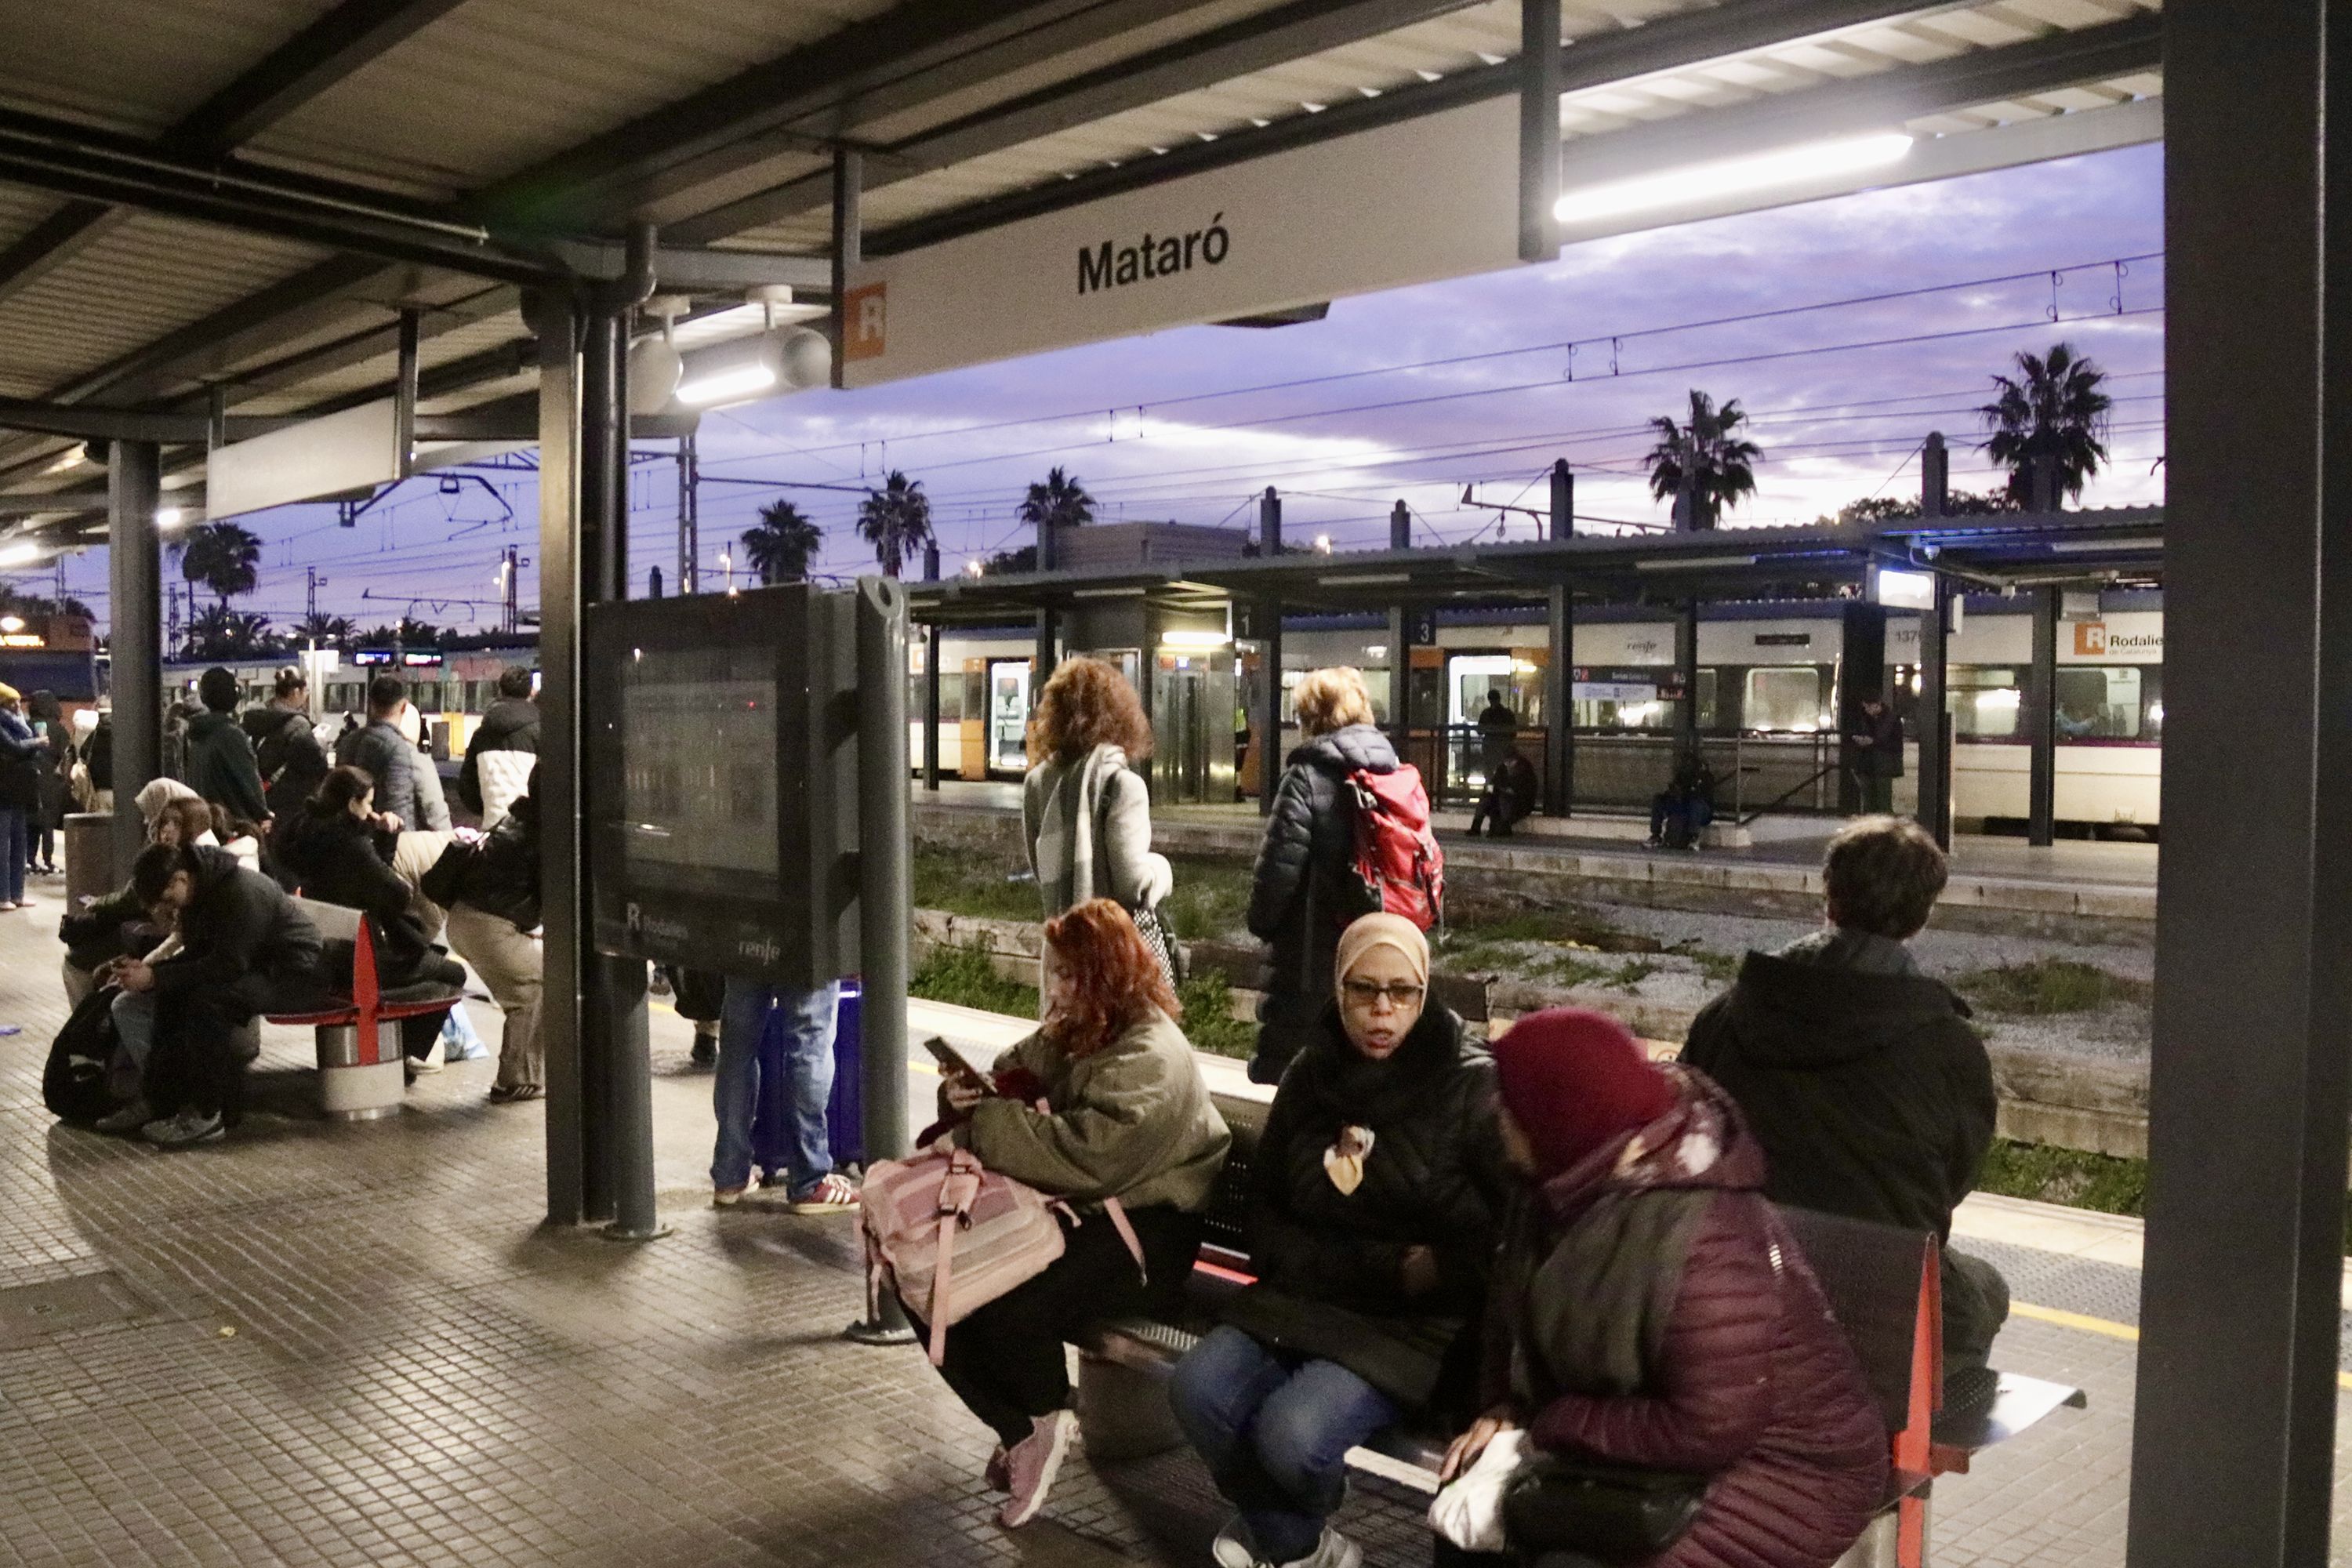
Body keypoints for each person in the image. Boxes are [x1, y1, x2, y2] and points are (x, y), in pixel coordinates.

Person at [1436, 1009, 1886, 1568]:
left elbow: (1710, 1425)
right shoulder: (1554, 1183)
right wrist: (1505, 1405)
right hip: (1645, 1443)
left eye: (1512, 1106)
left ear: (1561, 1117)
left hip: (1784, 1476)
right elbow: (1509, 1310)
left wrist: (1551, 1423)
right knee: (1462, 1512)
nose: (1497, 1117)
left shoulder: (1708, 1239)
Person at [1171, 914, 1501, 1568]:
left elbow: (1496, 1236)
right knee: (1197, 1390)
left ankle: (1285, 1522)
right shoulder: (1312, 1071)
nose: (1383, 1010)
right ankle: (1301, 1542)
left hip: (1405, 1326)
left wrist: (1417, 1273)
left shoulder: (1469, 1084)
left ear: (1425, 991)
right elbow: (1266, 1203)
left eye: (1402, 992)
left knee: (1293, 1437)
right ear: (1339, 988)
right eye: (1364, 989)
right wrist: (1347, 1264)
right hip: (1301, 1299)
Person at [914, 898, 1230, 1530]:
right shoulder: (1082, 1026)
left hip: (1149, 1239)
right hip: (1088, 1217)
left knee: (1001, 1301)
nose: (1055, 990)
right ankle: (1027, 1427)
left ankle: (1040, 1418)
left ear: (1108, 976)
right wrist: (963, 1093)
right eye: (1053, 972)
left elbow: (1087, 1155)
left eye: (1069, 975)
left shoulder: (1150, 1054)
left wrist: (988, 1121)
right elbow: (1011, 1070)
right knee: (928, 1279)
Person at [1679, 815, 2007, 1406]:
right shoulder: (1947, 1044)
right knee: (1986, 1291)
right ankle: (1910, 1418)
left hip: (1740, 1271)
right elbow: (1955, 1178)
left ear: (1828, 896)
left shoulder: (1726, 1016)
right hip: (1881, 1288)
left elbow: (1688, 1135)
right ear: (1922, 916)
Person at [107, 840, 333, 1148]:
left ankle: (208, 1114)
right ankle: (162, 1101)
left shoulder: (241, 892)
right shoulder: (201, 893)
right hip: (258, 966)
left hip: (295, 974)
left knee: (206, 1002)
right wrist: (152, 974)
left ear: (180, 879)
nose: (168, 909)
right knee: (172, 993)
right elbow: (200, 955)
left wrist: (155, 977)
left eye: (167, 899)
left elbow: (227, 965)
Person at [1247, 666, 1402, 1084]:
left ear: (1312, 719)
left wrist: (1261, 922)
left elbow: (1276, 876)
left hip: (1314, 966)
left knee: (1301, 1083)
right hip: (1384, 953)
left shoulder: (1306, 778)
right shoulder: (1393, 773)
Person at [271, 766, 462, 1066]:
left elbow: (372, 885)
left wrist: (375, 838)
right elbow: (397, 895)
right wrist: (386, 839)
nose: (371, 810)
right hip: (361, 962)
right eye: (369, 803)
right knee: (452, 973)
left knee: (432, 958)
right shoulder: (350, 845)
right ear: (352, 803)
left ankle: (400, 1053)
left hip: (329, 954)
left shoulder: (305, 832)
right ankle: (402, 1054)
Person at [1022, 656, 1171, 927]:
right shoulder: (1124, 786)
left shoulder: (1036, 782)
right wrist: (1161, 870)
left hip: (1062, 942)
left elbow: (1044, 871)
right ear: (1119, 715)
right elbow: (1132, 885)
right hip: (1112, 943)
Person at [431, 765, 546, 1103]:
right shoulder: (545, 833)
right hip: (490, 929)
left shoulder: (514, 818)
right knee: (541, 985)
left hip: (465, 920)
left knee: (526, 988)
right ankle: (517, 1080)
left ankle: (520, 1075)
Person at [712, 969, 855, 1211]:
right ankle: (809, 1181)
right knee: (809, 1043)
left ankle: (730, 1175)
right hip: (806, 948)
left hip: (746, 948)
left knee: (737, 1048)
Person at [335, 674, 450, 831]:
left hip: (350, 837)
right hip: (396, 838)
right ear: (403, 707)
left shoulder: (346, 744)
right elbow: (434, 813)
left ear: (370, 704)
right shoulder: (410, 753)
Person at [184, 667, 270, 827]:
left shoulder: (196, 735)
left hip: (207, 822)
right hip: (233, 825)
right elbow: (249, 783)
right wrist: (264, 814)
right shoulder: (231, 735)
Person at [458, 666, 540, 829]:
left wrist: (489, 808)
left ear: (500, 691)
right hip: (531, 831)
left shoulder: (480, 735)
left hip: (492, 830)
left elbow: (467, 788)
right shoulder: (540, 732)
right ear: (531, 692)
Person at [245, 666, 329, 825]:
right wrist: (321, 741)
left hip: (259, 798)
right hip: (289, 803)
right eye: (306, 692)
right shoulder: (298, 725)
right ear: (296, 692)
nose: (306, 697)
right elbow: (315, 764)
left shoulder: (255, 719)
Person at [0, 683, 41, 911]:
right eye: (12, 702)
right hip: (3, 789)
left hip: (18, 789)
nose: (18, 706)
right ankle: (2, 895)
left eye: (18, 701)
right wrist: (36, 743)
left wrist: (32, 744)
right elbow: (14, 747)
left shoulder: (20, 723)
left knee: (19, 843)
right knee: (2, 846)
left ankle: (17, 894)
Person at [27, 690, 66, 876]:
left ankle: (30, 860)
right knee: (47, 823)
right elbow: (65, 755)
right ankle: (48, 861)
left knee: (31, 822)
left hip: (29, 778)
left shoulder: (26, 726)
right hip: (51, 780)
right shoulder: (58, 729)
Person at [1646, 746, 1716, 850]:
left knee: (1695, 804)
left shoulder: (1706, 777)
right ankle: (1655, 835)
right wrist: (1672, 793)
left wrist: (1687, 792)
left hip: (1701, 810)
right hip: (1681, 805)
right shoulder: (1681, 776)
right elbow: (1673, 791)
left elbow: (1703, 796)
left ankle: (1694, 838)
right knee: (1658, 799)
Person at [1847, 691, 1903, 815]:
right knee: (1869, 801)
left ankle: (1881, 823)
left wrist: (1872, 742)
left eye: (1868, 707)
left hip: (1883, 765)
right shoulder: (1867, 718)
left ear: (1877, 705)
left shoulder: (1891, 719)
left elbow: (1894, 744)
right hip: (1869, 764)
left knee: (1882, 801)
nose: (1866, 710)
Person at [1465, 750, 1536, 840]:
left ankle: (1503, 825)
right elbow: (1494, 783)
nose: (1508, 764)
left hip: (1519, 804)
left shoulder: (1525, 771)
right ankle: (1476, 826)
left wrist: (1503, 790)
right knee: (1486, 798)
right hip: (1501, 800)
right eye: (1506, 762)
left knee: (1503, 799)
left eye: (1511, 762)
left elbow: (1522, 792)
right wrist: (1492, 789)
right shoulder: (1502, 769)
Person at [1474, 689, 1518, 775]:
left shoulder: (1486, 713)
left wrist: (1489, 729)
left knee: (1488, 769)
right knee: (1503, 769)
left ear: (1489, 700)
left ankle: (1490, 782)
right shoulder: (1508, 714)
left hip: (1489, 746)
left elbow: (1480, 730)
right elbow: (1513, 732)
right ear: (1499, 699)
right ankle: (1502, 781)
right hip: (1504, 746)